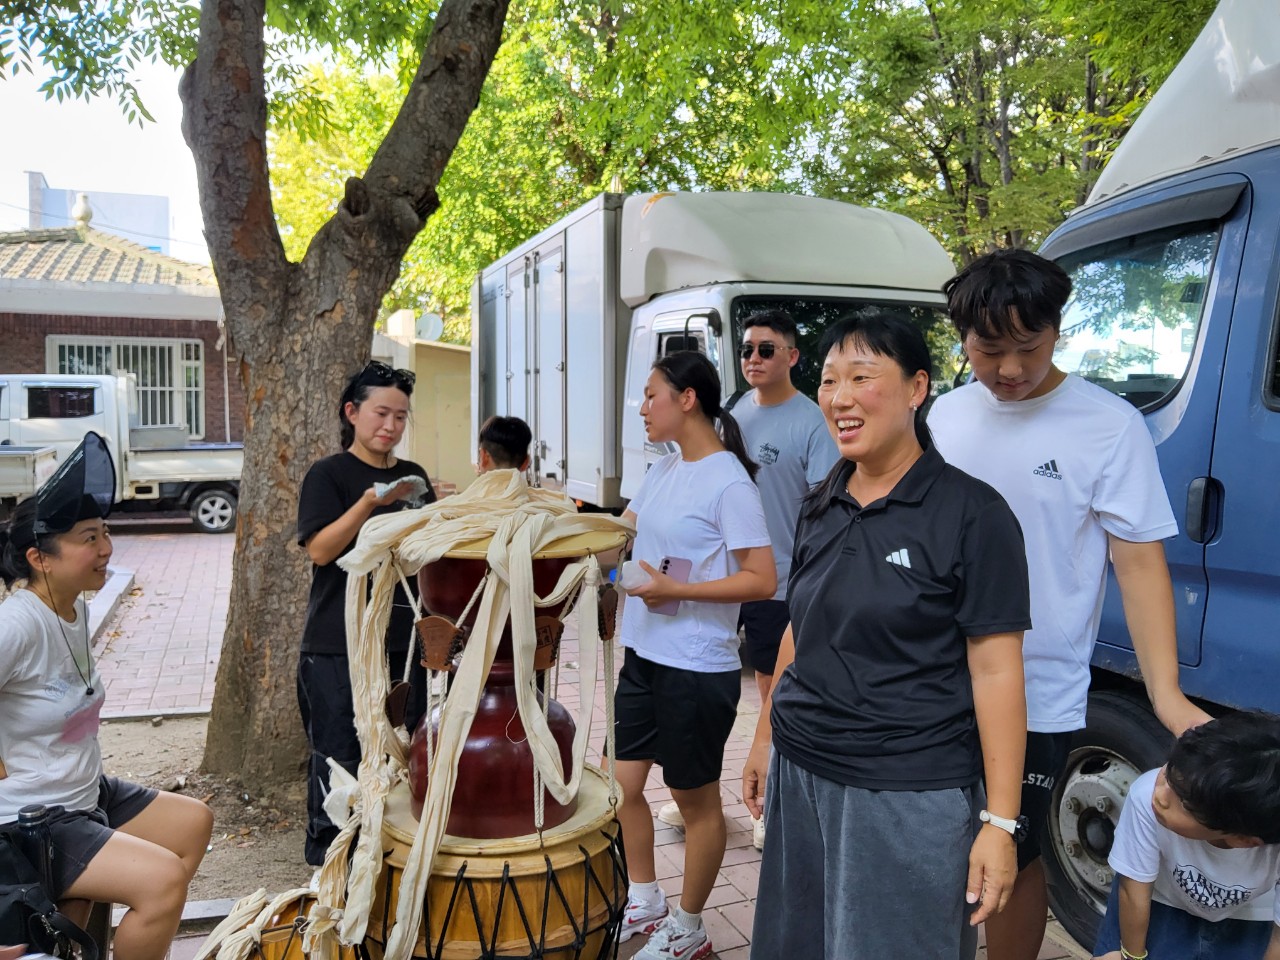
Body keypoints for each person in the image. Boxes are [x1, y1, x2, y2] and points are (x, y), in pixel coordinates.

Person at [929, 248, 1212, 960]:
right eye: (989, 350)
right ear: (962, 338)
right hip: (929, 677)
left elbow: (1137, 563)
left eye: (1029, 347)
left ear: (1058, 329)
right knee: (931, 844)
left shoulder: (1108, 424)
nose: (1011, 369)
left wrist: (1166, 694)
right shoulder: (942, 416)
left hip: (1037, 688)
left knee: (1014, 853)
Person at [742, 311, 1030, 959]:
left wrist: (1000, 824)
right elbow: (800, 629)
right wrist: (764, 738)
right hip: (802, 770)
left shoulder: (973, 514)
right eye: (829, 380)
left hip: (906, 791)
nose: (839, 397)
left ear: (916, 388)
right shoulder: (822, 500)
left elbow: (997, 672)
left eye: (862, 377)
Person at [0, 435, 213, 960]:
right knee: (162, 880)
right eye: (89, 538)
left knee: (193, 823)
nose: (106, 549)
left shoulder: (74, 608)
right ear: (39, 558)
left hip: (84, 792)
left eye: (106, 533)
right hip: (35, 818)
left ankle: (133, 936)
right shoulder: (18, 624)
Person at [614, 351, 775, 960]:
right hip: (644, 653)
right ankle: (645, 898)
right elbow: (619, 535)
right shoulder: (663, 468)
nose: (642, 408)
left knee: (695, 801)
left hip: (696, 666)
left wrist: (677, 589)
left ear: (687, 399)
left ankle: (689, 927)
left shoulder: (729, 482)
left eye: (651, 394)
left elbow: (762, 579)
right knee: (621, 787)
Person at [656, 309, 837, 851]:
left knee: (771, 697)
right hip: (720, 582)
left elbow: (825, 509)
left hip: (776, 585)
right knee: (709, 691)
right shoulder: (732, 412)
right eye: (747, 349)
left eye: (766, 349)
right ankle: (698, 797)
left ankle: (768, 803)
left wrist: (809, 579)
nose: (753, 358)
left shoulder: (812, 421)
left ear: (792, 357)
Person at [296, 360, 436, 866]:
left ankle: (389, 862)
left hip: (404, 644)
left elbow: (427, 552)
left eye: (400, 416)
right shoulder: (328, 474)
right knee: (340, 759)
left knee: (403, 750)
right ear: (352, 412)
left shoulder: (413, 477)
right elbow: (320, 550)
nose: (391, 426)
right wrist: (368, 505)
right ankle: (331, 868)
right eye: (381, 413)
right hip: (337, 645)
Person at [1093, 712, 1280, 960]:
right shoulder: (1146, 796)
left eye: (1184, 803)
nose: (1160, 795)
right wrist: (1131, 956)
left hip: (1251, 917)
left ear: (1242, 840)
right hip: (1159, 901)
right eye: (1169, 770)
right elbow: (1133, 893)